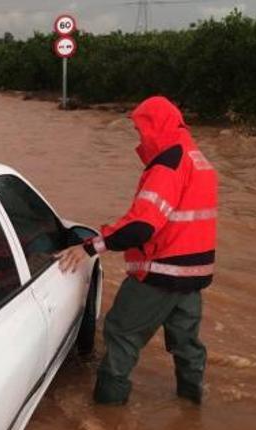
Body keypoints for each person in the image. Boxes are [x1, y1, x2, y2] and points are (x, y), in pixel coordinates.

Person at [56, 96, 218, 405]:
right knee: (186, 344)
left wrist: (90, 247)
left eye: (140, 129)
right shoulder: (198, 159)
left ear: (155, 126)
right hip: (193, 275)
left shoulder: (168, 164)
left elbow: (140, 227)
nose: (140, 137)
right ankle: (191, 404)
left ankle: (106, 414)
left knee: (120, 334)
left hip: (160, 272)